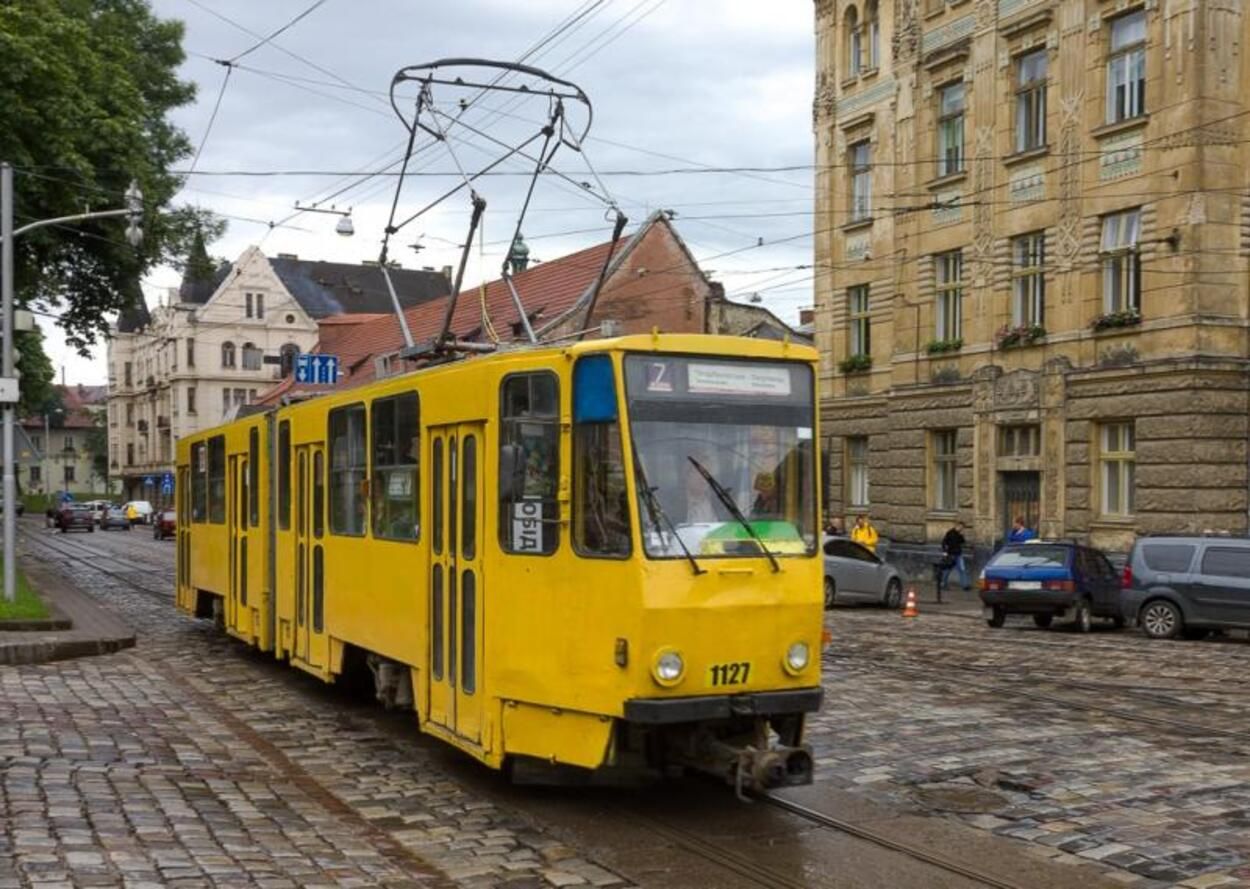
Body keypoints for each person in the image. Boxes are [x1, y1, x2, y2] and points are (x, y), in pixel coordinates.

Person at [939, 520, 970, 598]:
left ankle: (965, 585)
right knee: (947, 570)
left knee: (962, 569)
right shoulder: (950, 533)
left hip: (958, 555)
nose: (962, 529)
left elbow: (963, 542)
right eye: (961, 527)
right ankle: (943, 583)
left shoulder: (959, 534)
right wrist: (945, 552)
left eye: (963, 528)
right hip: (951, 555)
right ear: (958, 526)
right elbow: (944, 542)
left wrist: (962, 535)